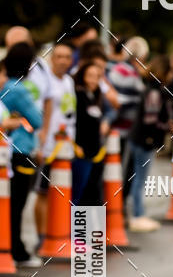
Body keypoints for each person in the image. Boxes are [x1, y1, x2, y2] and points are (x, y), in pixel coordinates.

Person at [0, 44, 43, 267]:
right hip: (19, 150)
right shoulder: (18, 89)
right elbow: (37, 120)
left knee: (10, 203)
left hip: (8, 151)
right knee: (17, 204)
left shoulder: (7, 87)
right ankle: (17, 251)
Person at [36, 42, 76, 247]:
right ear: (52, 59)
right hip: (47, 146)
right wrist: (40, 142)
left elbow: (70, 112)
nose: (63, 61)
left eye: (67, 57)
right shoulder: (45, 81)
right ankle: (41, 237)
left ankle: (58, 235)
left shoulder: (69, 81)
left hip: (64, 147)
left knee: (61, 192)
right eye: (59, 56)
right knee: (42, 192)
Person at [128, 55, 173, 231]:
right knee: (140, 179)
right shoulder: (155, 92)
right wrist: (167, 126)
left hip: (140, 138)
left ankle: (136, 214)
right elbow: (150, 119)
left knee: (137, 178)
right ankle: (137, 215)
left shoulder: (151, 88)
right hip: (144, 140)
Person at [107, 36, 148, 208]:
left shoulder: (116, 69)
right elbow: (122, 100)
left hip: (115, 127)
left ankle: (115, 204)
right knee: (123, 169)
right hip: (124, 128)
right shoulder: (130, 73)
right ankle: (118, 204)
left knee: (115, 169)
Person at [71, 62, 109, 206]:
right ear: (82, 76)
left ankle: (86, 221)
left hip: (93, 153)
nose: (93, 80)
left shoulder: (95, 96)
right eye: (90, 76)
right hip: (80, 152)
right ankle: (73, 220)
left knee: (89, 193)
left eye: (97, 77)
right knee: (77, 193)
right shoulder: (78, 95)